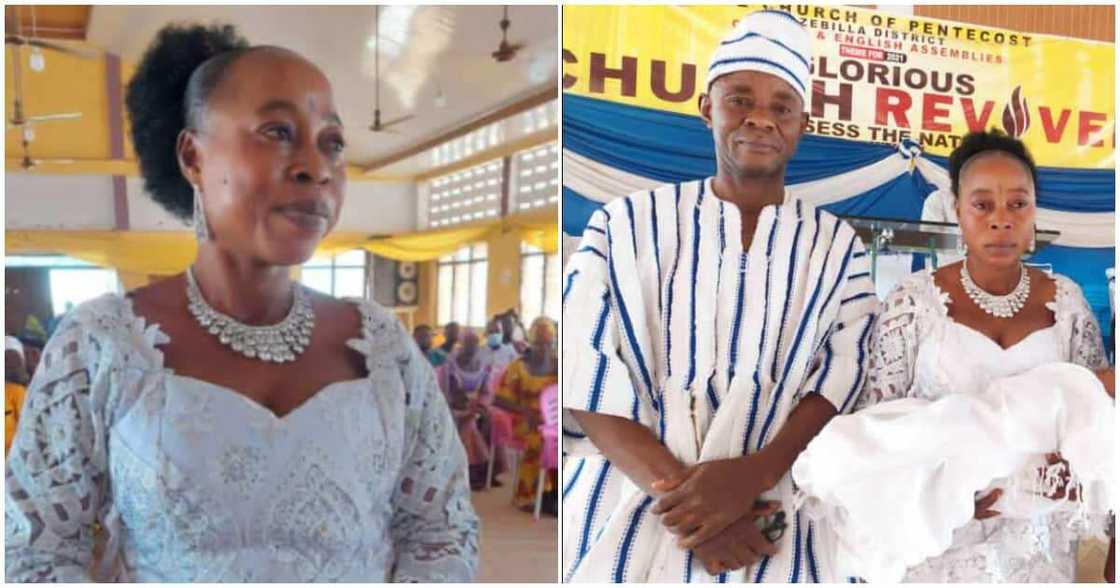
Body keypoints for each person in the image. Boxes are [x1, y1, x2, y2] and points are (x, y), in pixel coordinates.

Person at [5, 24, 477, 582]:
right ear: (192, 156)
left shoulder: (382, 349)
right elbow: (34, 553)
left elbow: (440, 530)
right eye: (278, 132)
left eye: (332, 143)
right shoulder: (101, 345)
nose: (316, 167)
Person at [560, 10, 878, 582]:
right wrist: (698, 513)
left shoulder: (838, 247)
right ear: (708, 108)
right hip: (634, 507)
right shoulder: (623, 225)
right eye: (739, 99)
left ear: (802, 123)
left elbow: (843, 376)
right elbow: (586, 370)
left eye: (782, 105)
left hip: (776, 515)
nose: (760, 117)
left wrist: (751, 476)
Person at [851, 129, 1114, 582]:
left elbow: (1094, 413)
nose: (1001, 220)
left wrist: (1076, 471)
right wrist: (940, 493)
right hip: (938, 547)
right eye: (982, 204)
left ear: (1034, 212)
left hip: (1038, 550)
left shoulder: (1068, 303)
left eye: (1017, 204)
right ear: (957, 210)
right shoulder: (913, 303)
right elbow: (875, 427)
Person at [496, 317, 559, 514]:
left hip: (555, 421)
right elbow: (499, 399)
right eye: (539, 343)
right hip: (526, 421)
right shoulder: (518, 367)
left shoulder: (560, 365)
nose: (544, 348)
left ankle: (555, 494)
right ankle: (531, 496)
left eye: (548, 343)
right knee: (539, 442)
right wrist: (524, 411)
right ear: (531, 343)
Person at [5, 337, 28, 454]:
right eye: (6, 360)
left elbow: (27, 431)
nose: (11, 367)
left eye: (15, 360)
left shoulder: (19, 392)